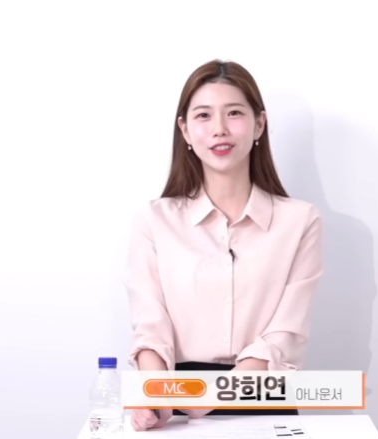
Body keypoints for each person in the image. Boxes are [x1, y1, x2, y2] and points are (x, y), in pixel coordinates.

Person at [125, 59, 324, 431]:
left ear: (259, 124)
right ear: (185, 130)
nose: (219, 128)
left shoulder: (300, 221)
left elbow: (286, 333)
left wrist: (208, 398)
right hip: (174, 407)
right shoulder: (154, 220)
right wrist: (153, 395)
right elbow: (150, 327)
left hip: (263, 402)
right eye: (203, 115)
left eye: (234, 113)